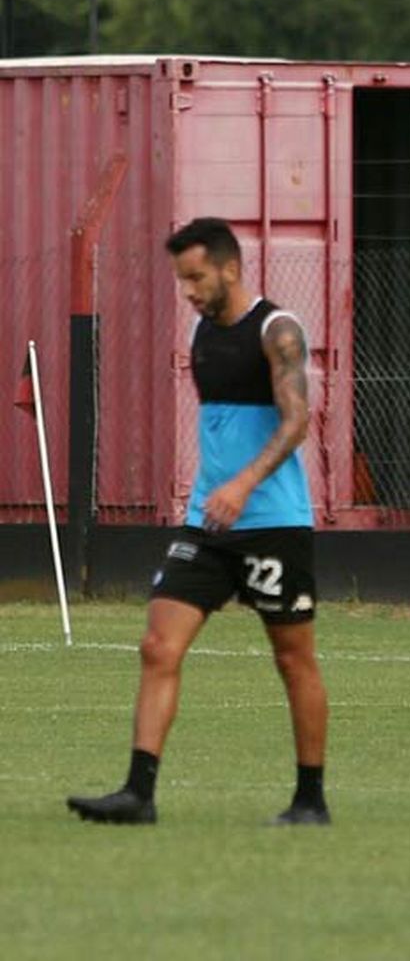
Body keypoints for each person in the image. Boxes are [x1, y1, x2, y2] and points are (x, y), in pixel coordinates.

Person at [66, 217, 330, 826]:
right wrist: (220, 489)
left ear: (229, 268)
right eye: (182, 278)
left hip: (274, 526)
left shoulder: (278, 329)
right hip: (208, 524)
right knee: (158, 646)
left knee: (293, 659)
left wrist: (242, 483)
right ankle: (138, 793)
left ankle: (310, 800)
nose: (187, 290)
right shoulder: (201, 332)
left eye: (195, 277)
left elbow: (296, 421)